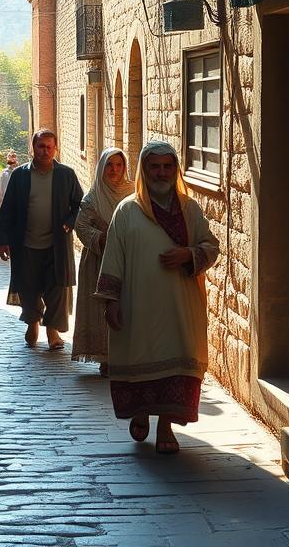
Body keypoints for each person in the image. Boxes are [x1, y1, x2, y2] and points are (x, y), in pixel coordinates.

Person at [97, 141, 220, 455]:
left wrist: (188, 255)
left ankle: (165, 425)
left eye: (168, 166)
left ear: (175, 170)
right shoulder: (127, 211)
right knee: (140, 359)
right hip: (138, 307)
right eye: (155, 167)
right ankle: (140, 412)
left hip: (180, 307)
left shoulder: (188, 209)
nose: (161, 172)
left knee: (176, 362)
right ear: (144, 170)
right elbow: (113, 258)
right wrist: (111, 301)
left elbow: (211, 246)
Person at [0, 129, 82, 351]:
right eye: (40, 146)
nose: (44, 151)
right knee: (28, 287)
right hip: (25, 244)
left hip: (56, 245)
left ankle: (52, 331)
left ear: (55, 149)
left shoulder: (66, 175)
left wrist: (69, 222)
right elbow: (7, 210)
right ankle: (32, 322)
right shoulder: (20, 176)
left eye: (49, 147)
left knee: (56, 289)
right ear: (32, 148)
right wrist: (2, 239)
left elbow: (79, 206)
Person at [72, 148, 134, 373]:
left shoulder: (134, 192)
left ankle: (128, 354)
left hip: (129, 260)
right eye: (109, 165)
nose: (114, 170)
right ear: (101, 168)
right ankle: (106, 357)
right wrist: (102, 237)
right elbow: (81, 226)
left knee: (128, 305)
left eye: (119, 165)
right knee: (103, 309)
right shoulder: (92, 197)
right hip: (99, 262)